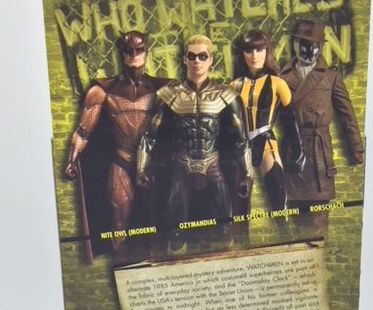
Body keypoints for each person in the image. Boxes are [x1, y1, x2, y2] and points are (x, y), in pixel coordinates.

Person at [137, 34, 252, 254]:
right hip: (182, 163)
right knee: (176, 234)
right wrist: (140, 169)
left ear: (211, 60)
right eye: (192, 56)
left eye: (202, 56)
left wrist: (247, 173)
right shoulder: (169, 95)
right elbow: (151, 136)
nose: (197, 61)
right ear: (184, 59)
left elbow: (240, 140)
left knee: (224, 230)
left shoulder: (226, 95)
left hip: (212, 162)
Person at [63, 31, 169, 261]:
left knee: (157, 227)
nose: (134, 54)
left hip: (152, 163)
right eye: (128, 50)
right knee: (118, 227)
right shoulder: (103, 90)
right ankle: (122, 270)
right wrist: (71, 159)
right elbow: (83, 131)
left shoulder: (163, 88)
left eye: (139, 49)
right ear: (121, 53)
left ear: (146, 52)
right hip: (122, 161)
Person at [280, 19, 364, 239]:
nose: (310, 51)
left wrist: (356, 147)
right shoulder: (281, 77)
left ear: (321, 47)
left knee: (318, 222)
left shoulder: (330, 76)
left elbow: (347, 114)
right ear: (295, 44)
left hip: (319, 152)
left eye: (315, 46)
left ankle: (317, 256)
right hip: (293, 151)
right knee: (295, 221)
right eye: (305, 44)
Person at [232, 30, 305, 214]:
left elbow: (291, 120)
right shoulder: (234, 86)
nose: (254, 55)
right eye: (249, 50)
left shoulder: (277, 83)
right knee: (239, 206)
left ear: (267, 51)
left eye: (259, 49)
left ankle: (285, 229)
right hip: (242, 147)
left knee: (278, 199)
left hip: (266, 142)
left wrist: (298, 152)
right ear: (242, 54)